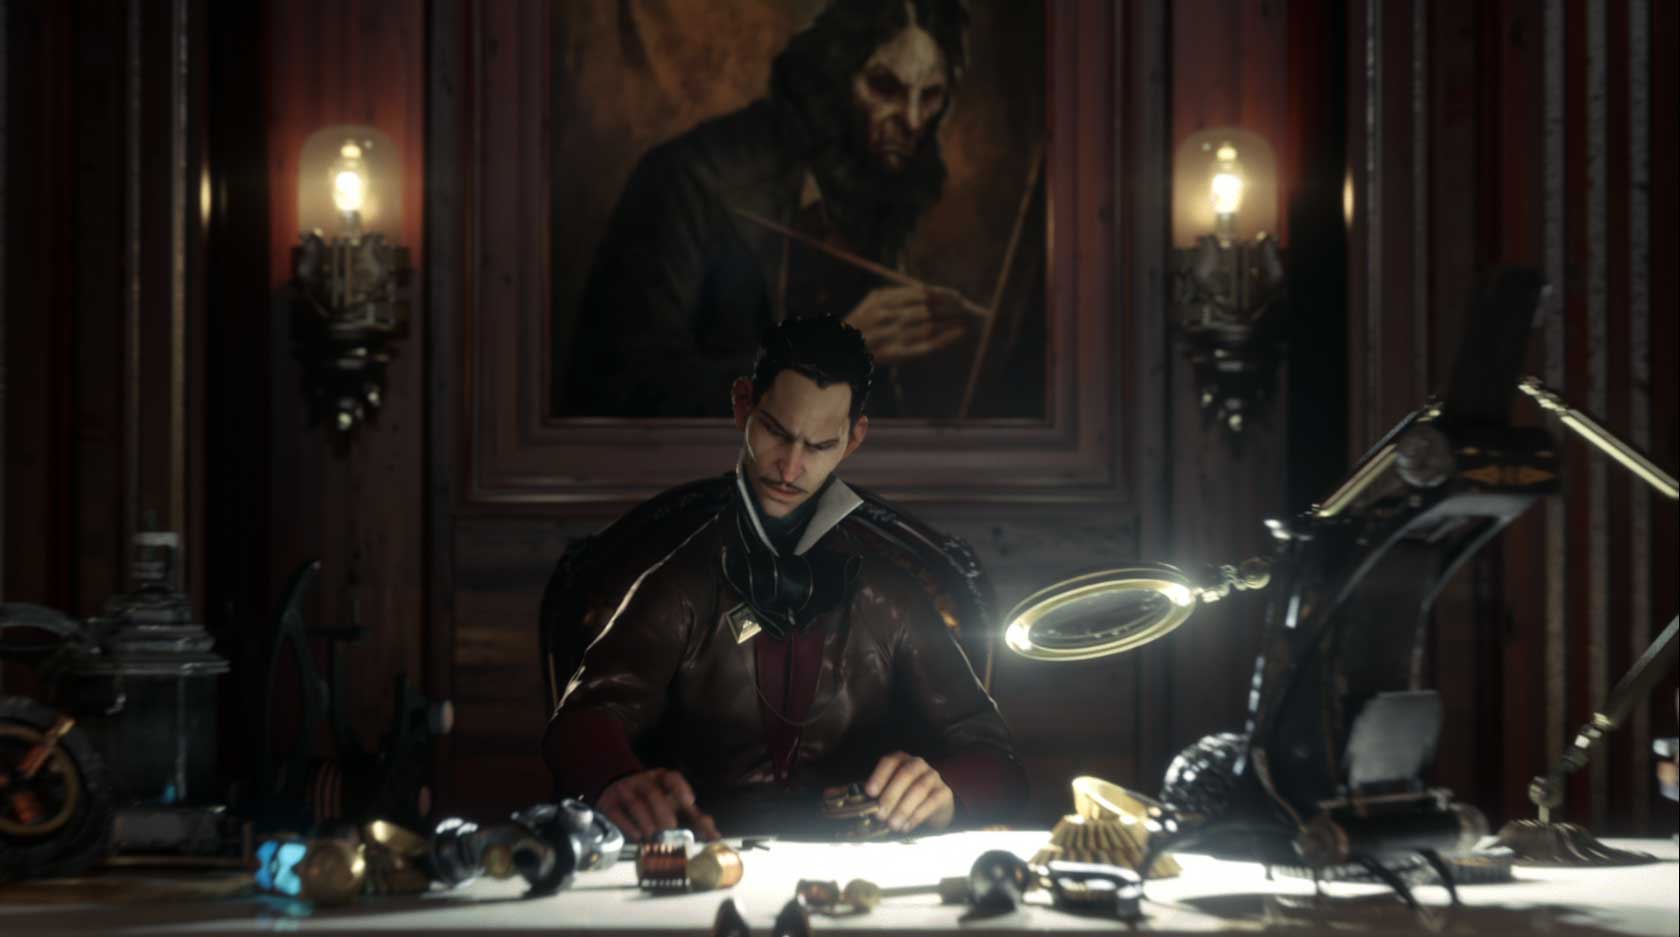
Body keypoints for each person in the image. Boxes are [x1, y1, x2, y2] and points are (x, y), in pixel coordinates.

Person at [542, 317, 1024, 840]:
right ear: (743, 405)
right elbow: (581, 720)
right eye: (776, 431)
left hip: (860, 870)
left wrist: (945, 791)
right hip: (705, 862)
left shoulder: (889, 597)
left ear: (854, 439)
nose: (789, 468)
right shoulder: (680, 586)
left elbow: (997, 760)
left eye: (820, 445)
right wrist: (616, 781)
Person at [560, 0, 981, 418]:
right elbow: (619, 390)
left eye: (930, 96)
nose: (913, 121)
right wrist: (828, 356)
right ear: (832, 79)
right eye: (884, 87)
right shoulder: (690, 179)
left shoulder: (871, 186)